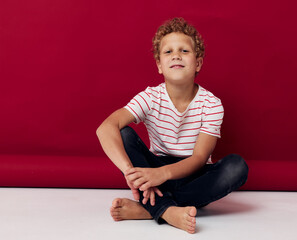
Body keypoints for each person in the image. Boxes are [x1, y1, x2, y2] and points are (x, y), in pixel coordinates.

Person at [96, 17, 248, 234]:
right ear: (159, 65)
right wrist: (131, 174)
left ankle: (151, 210)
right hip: (153, 174)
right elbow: (105, 128)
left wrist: (164, 175)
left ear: (198, 63)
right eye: (168, 52)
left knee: (237, 167)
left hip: (194, 177)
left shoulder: (211, 103)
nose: (176, 55)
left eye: (184, 51)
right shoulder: (150, 97)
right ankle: (168, 210)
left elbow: (198, 158)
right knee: (123, 134)